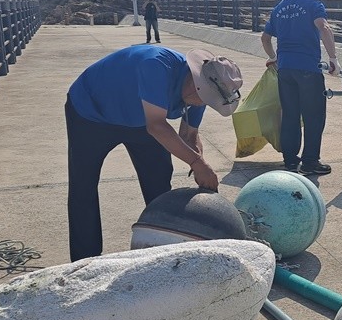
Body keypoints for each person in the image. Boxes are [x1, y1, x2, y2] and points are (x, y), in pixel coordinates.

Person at [65, 44, 242, 261]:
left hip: (142, 120)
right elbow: (157, 127)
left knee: (158, 183)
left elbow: (189, 135)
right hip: (92, 113)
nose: (202, 104)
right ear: (195, 83)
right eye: (204, 100)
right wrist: (197, 164)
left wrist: (199, 166)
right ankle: (85, 260)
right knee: (83, 186)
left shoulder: (205, 92)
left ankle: (161, 248)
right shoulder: (156, 66)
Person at [261, 0, 338, 176]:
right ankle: (311, 161)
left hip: (285, 69)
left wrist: (273, 58)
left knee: (290, 115)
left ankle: (290, 161)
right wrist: (333, 59)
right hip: (308, 68)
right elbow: (324, 28)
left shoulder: (279, 8)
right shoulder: (313, 4)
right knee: (314, 116)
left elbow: (265, 38)